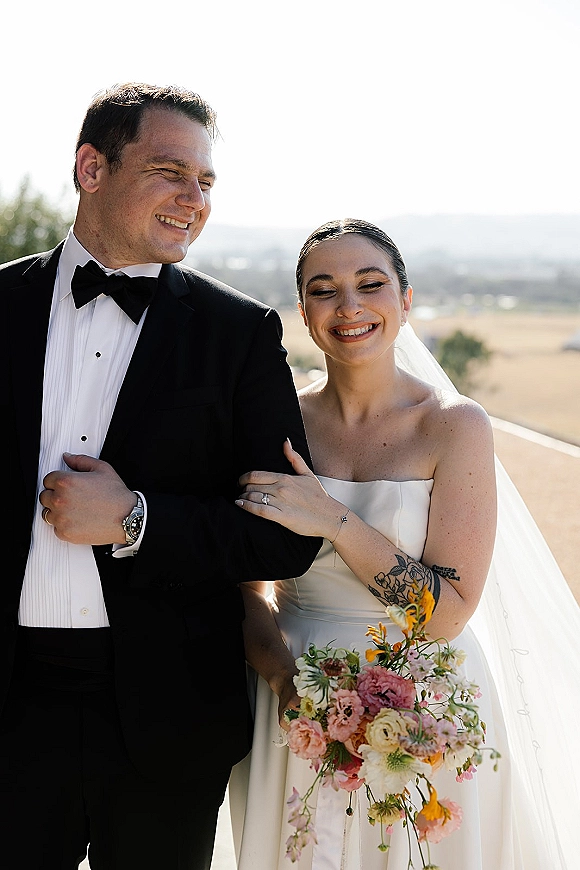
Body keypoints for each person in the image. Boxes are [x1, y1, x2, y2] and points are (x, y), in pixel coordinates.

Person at [0, 82, 321, 870]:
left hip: (166, 717)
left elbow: (285, 541)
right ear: (92, 167)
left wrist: (136, 520)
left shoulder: (240, 334)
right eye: (170, 171)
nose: (193, 198)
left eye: (206, 181)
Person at [228, 219, 579, 869]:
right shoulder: (274, 420)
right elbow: (244, 580)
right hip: (292, 700)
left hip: (429, 702)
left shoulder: (454, 426)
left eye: (371, 284)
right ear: (303, 312)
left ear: (406, 300)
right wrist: (279, 675)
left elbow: (445, 613)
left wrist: (335, 521)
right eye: (324, 289)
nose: (350, 305)